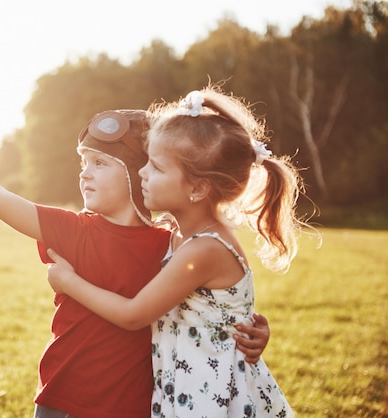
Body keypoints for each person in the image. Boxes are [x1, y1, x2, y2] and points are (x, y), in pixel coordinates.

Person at [0, 106, 269, 418]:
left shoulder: (172, 243)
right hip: (66, 398)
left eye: (100, 163)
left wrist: (249, 329)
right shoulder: (72, 232)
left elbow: (209, 300)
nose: (85, 174)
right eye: (83, 163)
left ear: (135, 173)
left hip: (137, 405)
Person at [47, 86, 310, 417]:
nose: (142, 172)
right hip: (182, 387)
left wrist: (67, 281)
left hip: (210, 397)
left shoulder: (205, 249)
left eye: (155, 168)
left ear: (198, 188)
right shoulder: (176, 232)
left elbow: (134, 315)